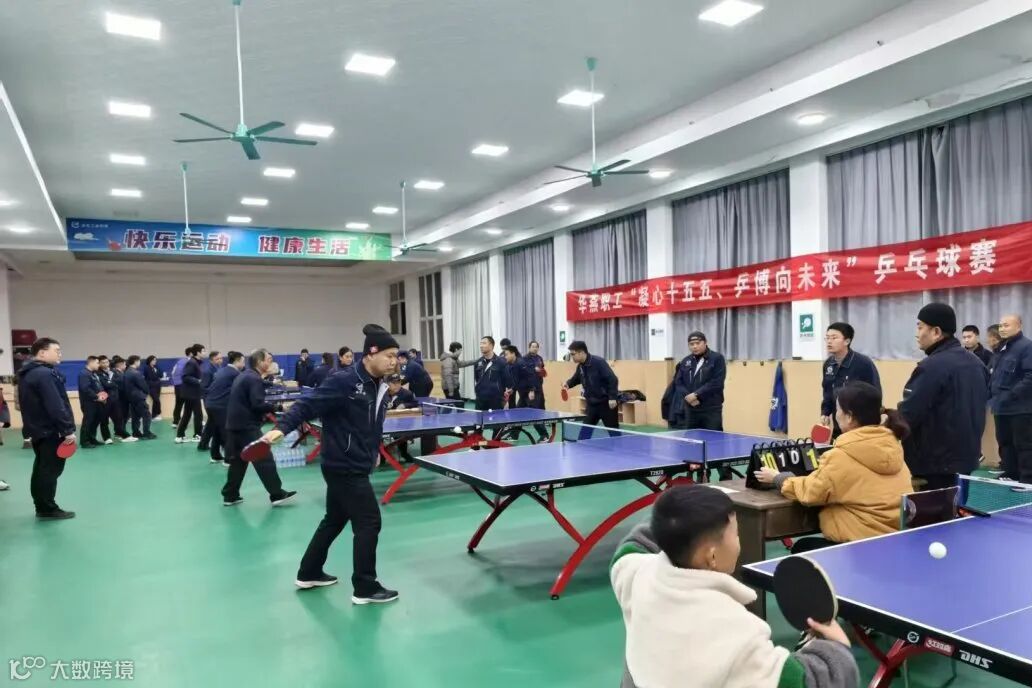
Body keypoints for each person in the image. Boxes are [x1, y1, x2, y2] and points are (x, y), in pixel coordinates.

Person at [611, 485, 858, 688]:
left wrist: (679, 518)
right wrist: (835, 649)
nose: (739, 542)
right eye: (736, 534)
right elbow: (806, 682)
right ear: (712, 557)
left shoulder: (637, 575)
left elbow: (630, 548)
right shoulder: (734, 632)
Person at [262, 324, 400, 604]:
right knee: (369, 522)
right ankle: (365, 586)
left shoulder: (379, 385)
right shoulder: (344, 381)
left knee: (335, 519)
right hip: (344, 465)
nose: (394, 361)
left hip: (353, 461)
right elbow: (307, 404)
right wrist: (282, 428)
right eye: (389, 355)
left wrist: (374, 450)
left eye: (396, 356)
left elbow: (371, 424)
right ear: (370, 354)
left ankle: (309, 572)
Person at [755, 382, 913, 552]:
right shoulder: (893, 448)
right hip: (895, 541)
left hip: (861, 546)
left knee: (802, 546)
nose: (835, 415)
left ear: (849, 417)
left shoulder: (840, 457)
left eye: (837, 410)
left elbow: (811, 492)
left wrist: (778, 478)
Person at [898, 303, 989, 491]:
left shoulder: (931, 367)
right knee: (957, 507)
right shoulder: (977, 363)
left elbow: (909, 414)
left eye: (920, 327)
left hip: (935, 465)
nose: (917, 334)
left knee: (935, 510)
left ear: (936, 332)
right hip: (967, 458)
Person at [221, 349, 296, 507]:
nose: (271, 362)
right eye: (269, 359)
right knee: (264, 457)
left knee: (238, 461)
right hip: (247, 426)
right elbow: (257, 404)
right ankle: (276, 494)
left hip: (234, 425)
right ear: (260, 362)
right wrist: (279, 407)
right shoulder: (253, 378)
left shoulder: (245, 375)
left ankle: (230, 495)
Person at [18, 337, 78, 520]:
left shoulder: (30, 373)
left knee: (42, 469)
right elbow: (55, 405)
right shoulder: (44, 374)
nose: (60, 354)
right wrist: (67, 430)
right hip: (50, 431)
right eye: (56, 350)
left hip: (39, 430)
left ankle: (42, 506)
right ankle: (47, 508)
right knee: (49, 471)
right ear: (42, 353)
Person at [989, 314, 1032, 483]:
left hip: (1021, 408)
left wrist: (1012, 394)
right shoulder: (1001, 348)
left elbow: (1030, 376)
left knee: (1024, 444)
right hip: (1001, 407)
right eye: (1000, 326)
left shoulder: (1027, 347)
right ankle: (1011, 473)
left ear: (1018, 326)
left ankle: (1027, 478)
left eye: (1006, 325)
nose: (1002, 329)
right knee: (1005, 442)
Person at [819, 322, 880, 439]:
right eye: (827, 338)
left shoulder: (863, 363)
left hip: (860, 427)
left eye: (834, 338)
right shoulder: (828, 364)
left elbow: (875, 394)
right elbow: (827, 392)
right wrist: (825, 413)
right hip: (839, 425)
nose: (829, 341)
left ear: (847, 341)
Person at [663, 332, 727, 432]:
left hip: (711, 409)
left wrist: (696, 395)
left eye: (698, 343)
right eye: (691, 344)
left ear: (705, 342)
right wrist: (688, 397)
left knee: (714, 438)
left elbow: (717, 382)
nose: (694, 346)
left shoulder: (717, 358)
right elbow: (678, 382)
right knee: (692, 438)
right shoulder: (685, 361)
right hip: (691, 409)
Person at [563, 340, 620, 431]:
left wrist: (612, 397)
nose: (571, 357)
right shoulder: (580, 366)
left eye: (573, 354)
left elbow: (612, 379)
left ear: (581, 352)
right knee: (584, 433)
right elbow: (576, 378)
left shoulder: (599, 362)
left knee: (614, 433)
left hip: (606, 404)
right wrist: (568, 384)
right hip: (591, 405)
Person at [204, 351, 244, 466]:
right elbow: (246, 384)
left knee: (217, 430)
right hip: (220, 406)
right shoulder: (234, 373)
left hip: (210, 404)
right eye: (243, 361)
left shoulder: (223, 370)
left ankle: (215, 456)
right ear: (237, 361)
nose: (244, 364)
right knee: (227, 432)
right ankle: (228, 459)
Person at [502, 345, 548, 442]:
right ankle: (514, 435)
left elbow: (530, 376)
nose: (505, 357)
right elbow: (518, 380)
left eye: (506, 354)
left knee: (534, 414)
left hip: (532, 392)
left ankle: (544, 436)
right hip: (523, 393)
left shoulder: (521, 363)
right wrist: (512, 389)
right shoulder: (512, 365)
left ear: (513, 354)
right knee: (518, 413)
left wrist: (532, 390)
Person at [176, 344, 206, 443]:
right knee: (198, 414)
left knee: (187, 414)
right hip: (191, 393)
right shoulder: (192, 363)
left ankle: (180, 436)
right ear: (198, 352)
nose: (205, 353)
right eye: (203, 351)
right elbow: (185, 377)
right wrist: (198, 381)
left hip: (192, 393)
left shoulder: (196, 363)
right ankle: (197, 435)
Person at [124, 356, 156, 440]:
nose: (140, 363)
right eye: (139, 361)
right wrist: (146, 392)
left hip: (131, 398)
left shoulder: (126, 372)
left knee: (135, 416)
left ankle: (136, 432)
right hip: (138, 397)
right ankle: (147, 432)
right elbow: (143, 385)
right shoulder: (136, 373)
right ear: (135, 361)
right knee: (147, 415)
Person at [198, 350, 224, 453]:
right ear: (211, 360)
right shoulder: (207, 371)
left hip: (217, 399)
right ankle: (207, 444)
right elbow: (204, 387)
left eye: (221, 358)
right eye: (217, 359)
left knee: (212, 423)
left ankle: (203, 444)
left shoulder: (219, 368)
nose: (220, 360)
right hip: (210, 400)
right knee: (214, 422)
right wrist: (216, 389)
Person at [77, 356, 105, 448]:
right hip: (89, 403)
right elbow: (85, 389)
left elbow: (97, 386)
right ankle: (84, 441)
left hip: (97, 402)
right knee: (88, 422)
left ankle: (92, 438)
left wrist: (102, 395)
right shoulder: (84, 374)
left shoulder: (93, 374)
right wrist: (97, 396)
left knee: (95, 421)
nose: (99, 365)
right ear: (91, 363)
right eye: (97, 363)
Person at [473, 336, 506, 411]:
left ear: (491, 345)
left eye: (484, 343)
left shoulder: (501, 362)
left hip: (496, 400)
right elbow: (477, 379)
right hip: (480, 399)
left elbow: (506, 381)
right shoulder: (478, 362)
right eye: (480, 343)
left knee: (496, 418)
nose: (481, 346)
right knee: (479, 418)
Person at [108, 356, 132, 441]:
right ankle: (120, 433)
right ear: (120, 364)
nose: (125, 366)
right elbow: (114, 385)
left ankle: (120, 431)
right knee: (120, 417)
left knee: (125, 416)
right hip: (118, 399)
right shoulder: (114, 373)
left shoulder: (122, 373)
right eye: (124, 364)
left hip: (124, 399)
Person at [170, 347, 191, 425]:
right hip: (184, 386)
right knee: (187, 404)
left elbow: (173, 373)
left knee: (179, 404)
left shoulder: (180, 361)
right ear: (191, 353)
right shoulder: (188, 362)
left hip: (178, 386)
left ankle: (176, 421)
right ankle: (178, 421)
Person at [144, 355, 163, 420]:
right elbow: (149, 377)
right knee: (156, 400)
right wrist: (155, 374)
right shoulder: (146, 368)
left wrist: (157, 368)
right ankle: (157, 414)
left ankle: (154, 415)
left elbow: (161, 375)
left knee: (156, 401)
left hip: (158, 386)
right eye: (153, 360)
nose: (155, 361)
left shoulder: (156, 367)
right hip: (151, 387)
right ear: (150, 361)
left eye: (155, 360)